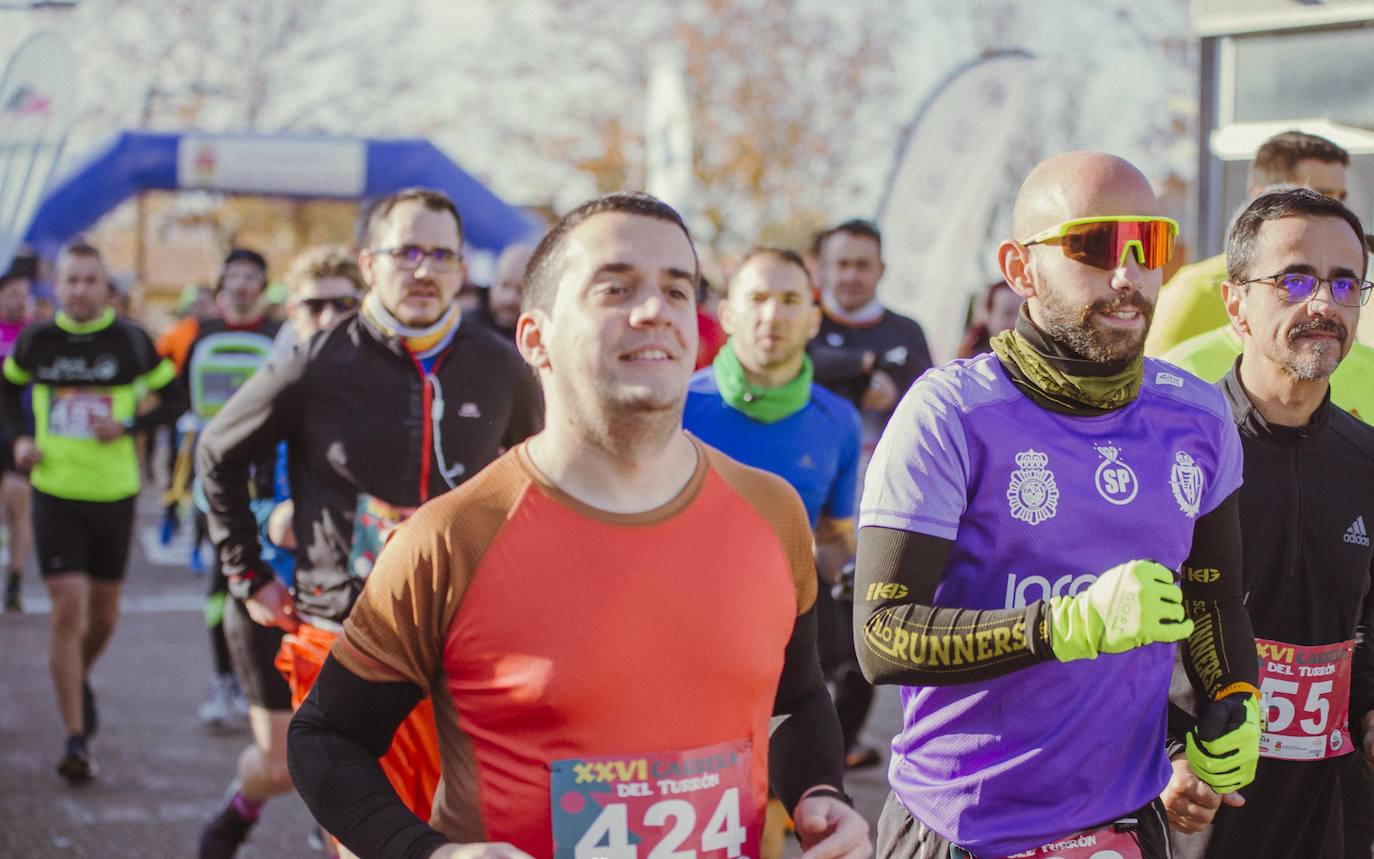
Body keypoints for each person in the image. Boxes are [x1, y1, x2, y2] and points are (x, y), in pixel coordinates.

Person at [286, 192, 870, 859]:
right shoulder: (456, 535)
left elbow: (793, 694)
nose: (655, 310)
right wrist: (428, 853)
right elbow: (326, 736)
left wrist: (822, 791)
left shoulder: (771, 510)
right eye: (616, 287)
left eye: (678, 291)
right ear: (536, 338)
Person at [855, 152, 1262, 858]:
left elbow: (1214, 599)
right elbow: (881, 635)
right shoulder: (949, 411)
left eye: (1151, 245)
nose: (1129, 275)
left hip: (1126, 825)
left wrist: (1233, 697)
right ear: (1019, 268)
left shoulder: (1198, 413)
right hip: (963, 829)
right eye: (1095, 246)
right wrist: (1063, 624)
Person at [199, 187, 541, 853]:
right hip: (346, 636)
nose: (424, 269)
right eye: (406, 251)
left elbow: (547, 475)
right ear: (369, 264)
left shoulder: (501, 367)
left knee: (462, 831)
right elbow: (217, 451)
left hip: (467, 645)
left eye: (442, 254)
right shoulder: (315, 359)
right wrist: (248, 571)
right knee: (366, 837)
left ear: (461, 269)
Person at [1159, 188, 1374, 857]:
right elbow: (1119, 636)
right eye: (1295, 279)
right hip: (1191, 809)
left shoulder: (1365, 457)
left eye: (1345, 282)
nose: (1323, 304)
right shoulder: (1169, 451)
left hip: (1329, 817)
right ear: (1235, 305)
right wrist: (1166, 752)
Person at [682, 246, 862, 857]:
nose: (772, 315)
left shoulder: (838, 421)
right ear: (728, 313)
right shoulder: (678, 405)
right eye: (757, 298)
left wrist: (857, 580)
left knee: (763, 824)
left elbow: (838, 537)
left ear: (814, 319)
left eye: (790, 300)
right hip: (679, 646)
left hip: (783, 659)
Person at [196, 245, 364, 858]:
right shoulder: (268, 390)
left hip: (353, 608)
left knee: (356, 763)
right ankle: (240, 810)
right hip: (272, 599)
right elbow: (213, 481)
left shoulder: (387, 396)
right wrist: (272, 524)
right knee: (279, 765)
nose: (327, 318)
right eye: (313, 305)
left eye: (343, 304)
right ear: (291, 312)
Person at [0, 240, 185, 782]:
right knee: (68, 607)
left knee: (103, 616)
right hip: (55, 491)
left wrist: (127, 428)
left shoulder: (130, 342)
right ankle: (76, 738)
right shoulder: (36, 341)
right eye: (71, 280)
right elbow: (5, 393)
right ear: (56, 287)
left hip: (116, 494)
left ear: (106, 288)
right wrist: (18, 442)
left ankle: (76, 677)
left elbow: (174, 399)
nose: (79, 290)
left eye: (90, 280)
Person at [807, 218, 934, 767]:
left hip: (877, 508)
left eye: (862, 264)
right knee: (808, 640)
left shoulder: (905, 331)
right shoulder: (802, 323)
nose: (851, 275)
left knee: (863, 639)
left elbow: (931, 399)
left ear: (881, 270)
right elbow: (794, 363)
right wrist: (862, 367)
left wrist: (894, 391)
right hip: (805, 503)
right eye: (841, 264)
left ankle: (836, 748)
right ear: (822, 268)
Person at [183, 249, 283, 730]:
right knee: (223, 579)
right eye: (233, 276)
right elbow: (182, 405)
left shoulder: (278, 337)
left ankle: (259, 682)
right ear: (221, 283)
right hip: (218, 480)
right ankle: (222, 678)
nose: (241, 284)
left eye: (251, 276)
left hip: (271, 480)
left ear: (263, 285)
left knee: (270, 577)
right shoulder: (202, 336)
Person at [1146, 130, 1350, 357]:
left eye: (1340, 198)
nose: (1337, 211)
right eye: (1319, 196)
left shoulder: (1344, 287)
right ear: (1265, 197)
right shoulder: (1196, 291)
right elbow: (1154, 382)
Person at [0, 270, 33, 611]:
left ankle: (15, 578)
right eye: (11, 292)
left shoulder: (35, 337)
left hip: (20, 431)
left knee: (17, 502)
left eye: (23, 293)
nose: (17, 299)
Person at [473, 242, 533, 340]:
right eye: (504, 285)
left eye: (521, 290)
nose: (509, 299)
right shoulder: (462, 330)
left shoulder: (540, 343)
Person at [956, 280, 1023, 358]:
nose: (1015, 322)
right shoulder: (977, 363)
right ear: (988, 314)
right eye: (1008, 313)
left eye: (1021, 314)